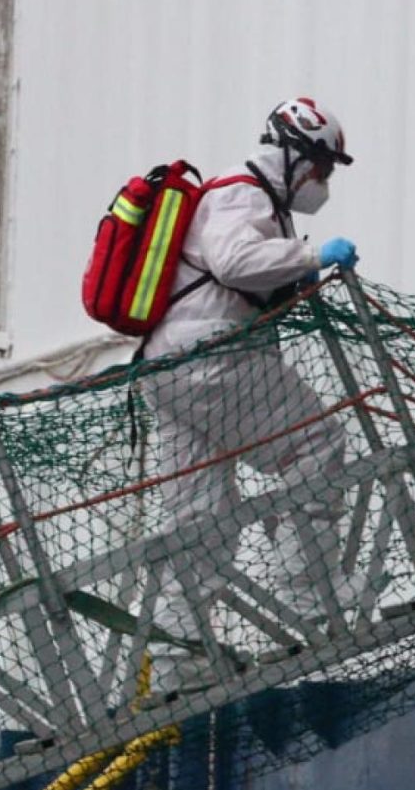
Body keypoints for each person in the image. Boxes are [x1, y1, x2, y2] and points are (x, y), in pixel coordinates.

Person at [138, 98, 363, 685]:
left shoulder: (243, 198)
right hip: (212, 360)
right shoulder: (243, 194)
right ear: (296, 156)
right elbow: (234, 261)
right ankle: (308, 594)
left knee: (201, 517)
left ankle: (175, 657)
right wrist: (314, 254)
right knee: (316, 446)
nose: (323, 183)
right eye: (323, 169)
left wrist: (293, 275)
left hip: (165, 371)